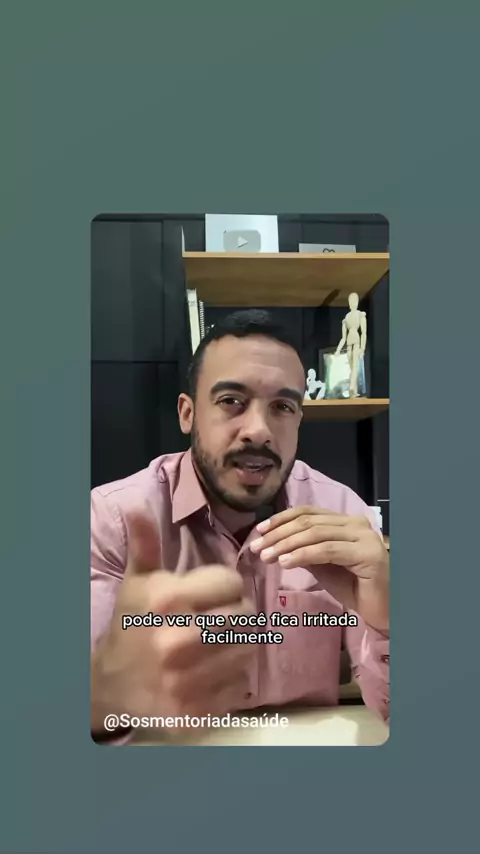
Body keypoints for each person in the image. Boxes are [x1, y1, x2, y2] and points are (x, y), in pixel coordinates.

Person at [91, 310, 389, 742]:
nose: (259, 431)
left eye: (282, 407)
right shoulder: (112, 519)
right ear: (188, 414)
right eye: (232, 401)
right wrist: (112, 692)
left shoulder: (342, 512)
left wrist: (389, 618)